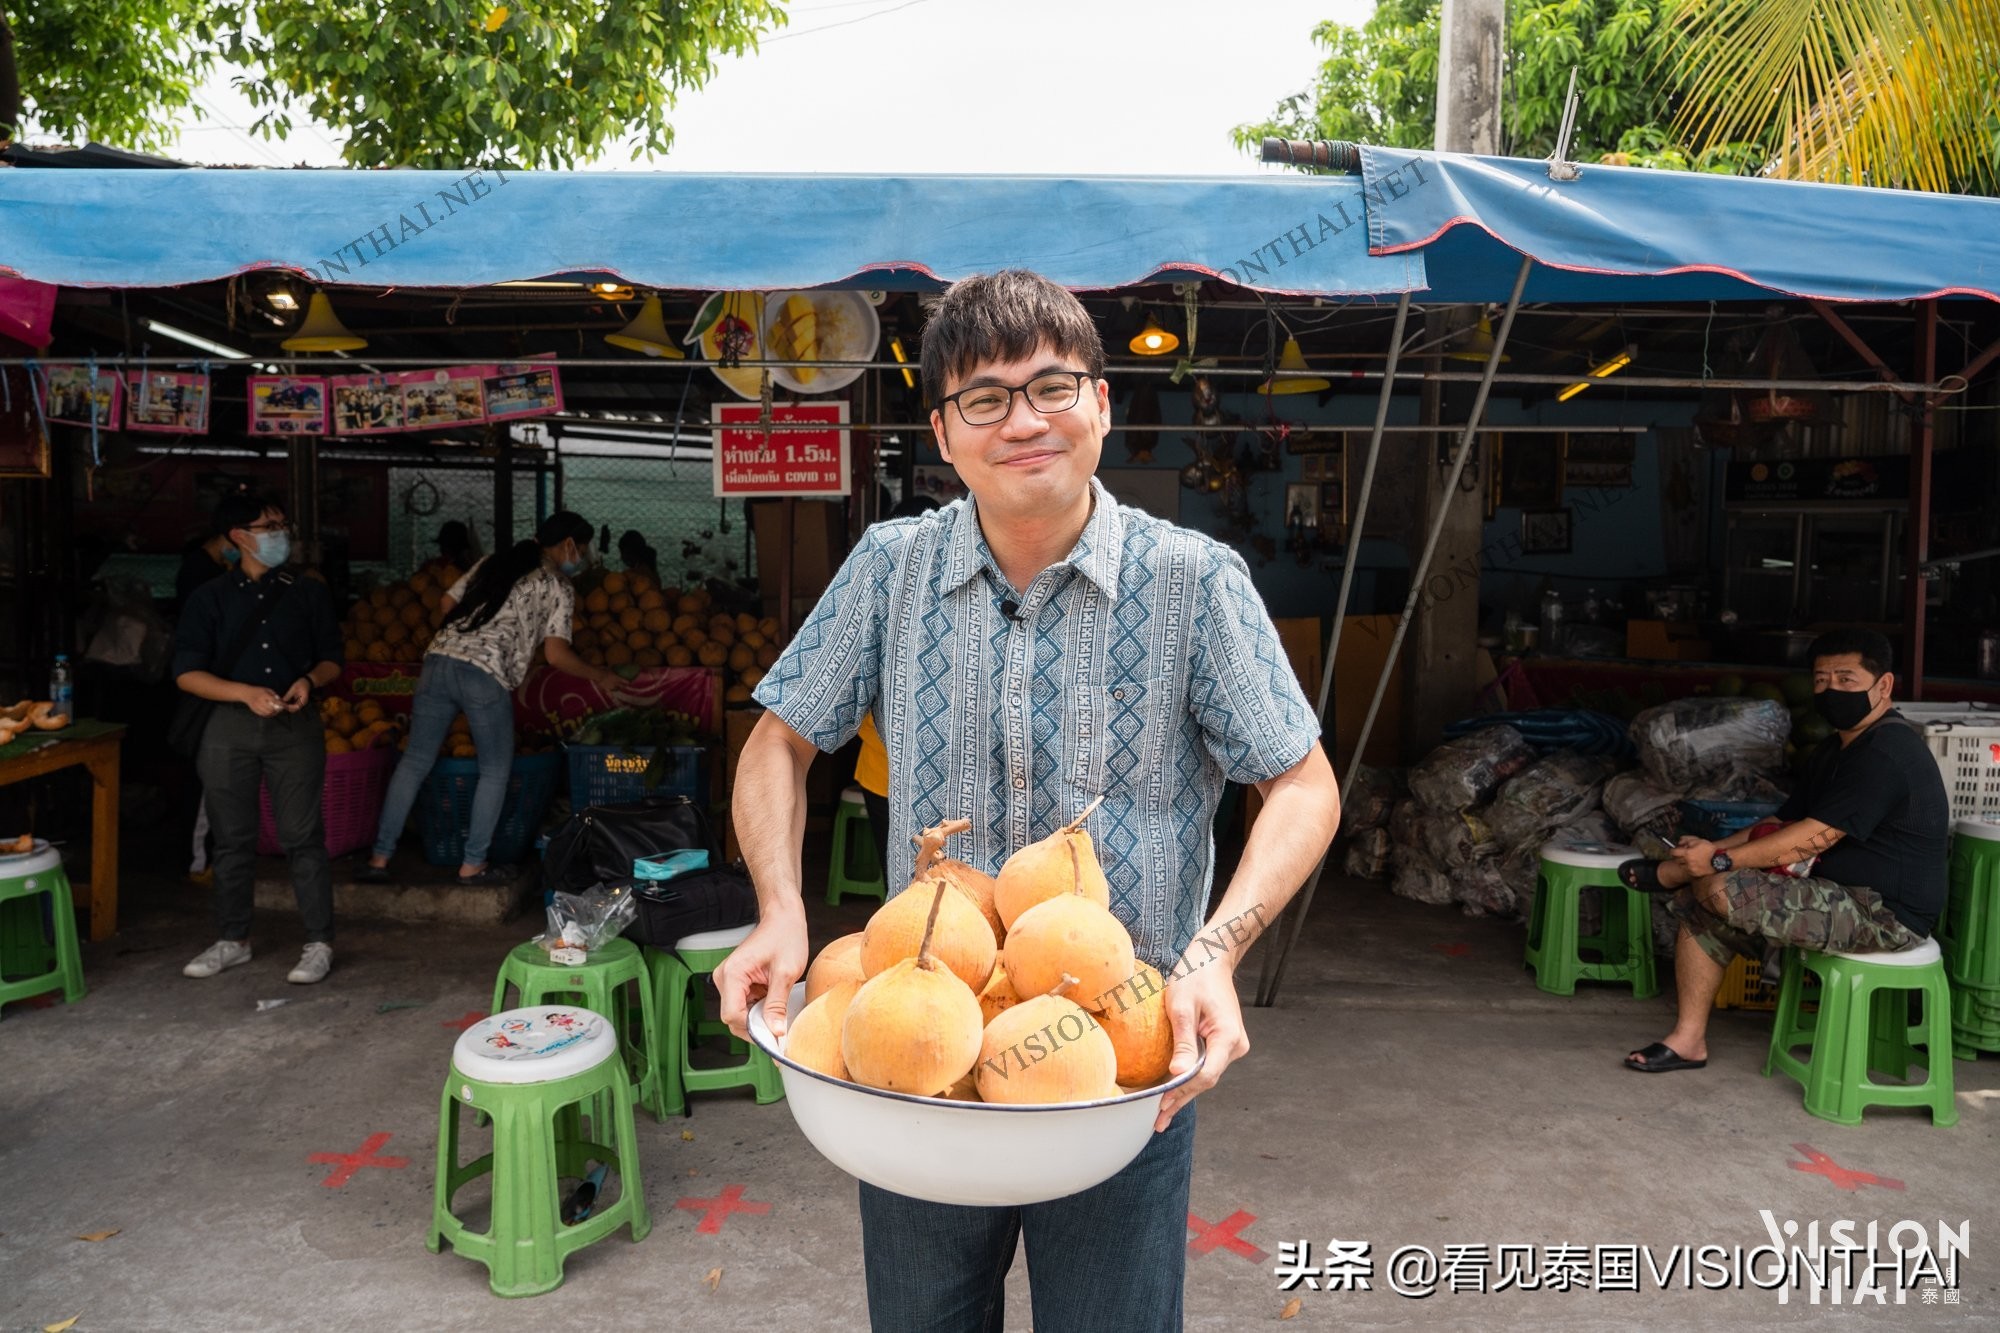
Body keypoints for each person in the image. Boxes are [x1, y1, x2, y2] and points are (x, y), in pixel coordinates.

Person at [715, 270, 1342, 1331]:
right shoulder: (889, 567)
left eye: (1053, 386)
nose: (1024, 420)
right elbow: (776, 742)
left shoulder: (1194, 580)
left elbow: (1300, 780)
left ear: (1102, 403)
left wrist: (1216, 950)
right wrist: (781, 907)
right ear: (943, 433)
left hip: (1118, 1063)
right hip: (917, 1060)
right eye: (985, 398)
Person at [1620, 628, 1950, 1073]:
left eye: (1846, 679)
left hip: (1884, 915)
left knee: (1718, 887)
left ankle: (1675, 876)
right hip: (1836, 892)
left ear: (1884, 685)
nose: (1831, 690)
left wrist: (1719, 861)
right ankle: (1687, 1041)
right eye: (1821, 680)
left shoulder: (1888, 753)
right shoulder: (1835, 750)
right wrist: (1714, 846)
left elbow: (1816, 836)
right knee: (1704, 902)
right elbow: (1781, 824)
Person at [360, 512, 628, 885]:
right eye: (581, 549)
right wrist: (601, 676)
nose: (579, 557)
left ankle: (378, 859)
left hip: (438, 662)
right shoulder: (557, 585)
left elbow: (444, 604)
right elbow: (556, 655)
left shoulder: (493, 562)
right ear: (569, 544)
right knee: (495, 771)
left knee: (414, 762)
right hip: (484, 677)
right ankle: (473, 865)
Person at [172, 494, 345, 985]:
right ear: (239, 537)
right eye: (268, 525)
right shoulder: (209, 598)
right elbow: (186, 673)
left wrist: (310, 680)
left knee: (302, 836)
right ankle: (233, 939)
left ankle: (319, 942)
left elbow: (334, 657)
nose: (279, 532)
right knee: (232, 838)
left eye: (281, 524)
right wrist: (244, 694)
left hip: (295, 728)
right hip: (228, 728)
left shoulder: (307, 592)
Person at [852, 495, 940, 876]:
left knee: (903, 881)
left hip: (880, 773)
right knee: (936, 882)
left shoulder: (877, 598)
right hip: (899, 775)